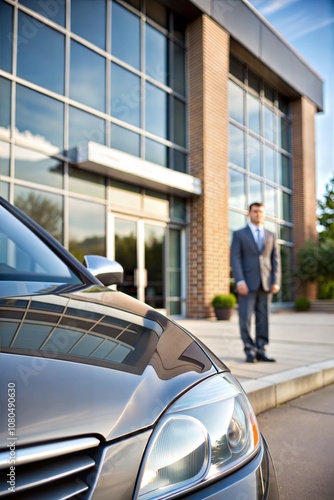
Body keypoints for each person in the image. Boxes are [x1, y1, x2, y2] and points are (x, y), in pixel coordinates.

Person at [230, 202, 281, 363]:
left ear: (264, 214)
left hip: (266, 284)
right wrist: (239, 280)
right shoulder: (239, 234)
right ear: (249, 213)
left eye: (261, 212)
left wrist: (276, 280)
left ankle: (261, 349)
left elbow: (276, 261)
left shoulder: (271, 235)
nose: (258, 214)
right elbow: (235, 259)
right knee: (245, 319)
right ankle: (249, 350)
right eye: (255, 211)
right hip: (246, 284)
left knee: (263, 319)